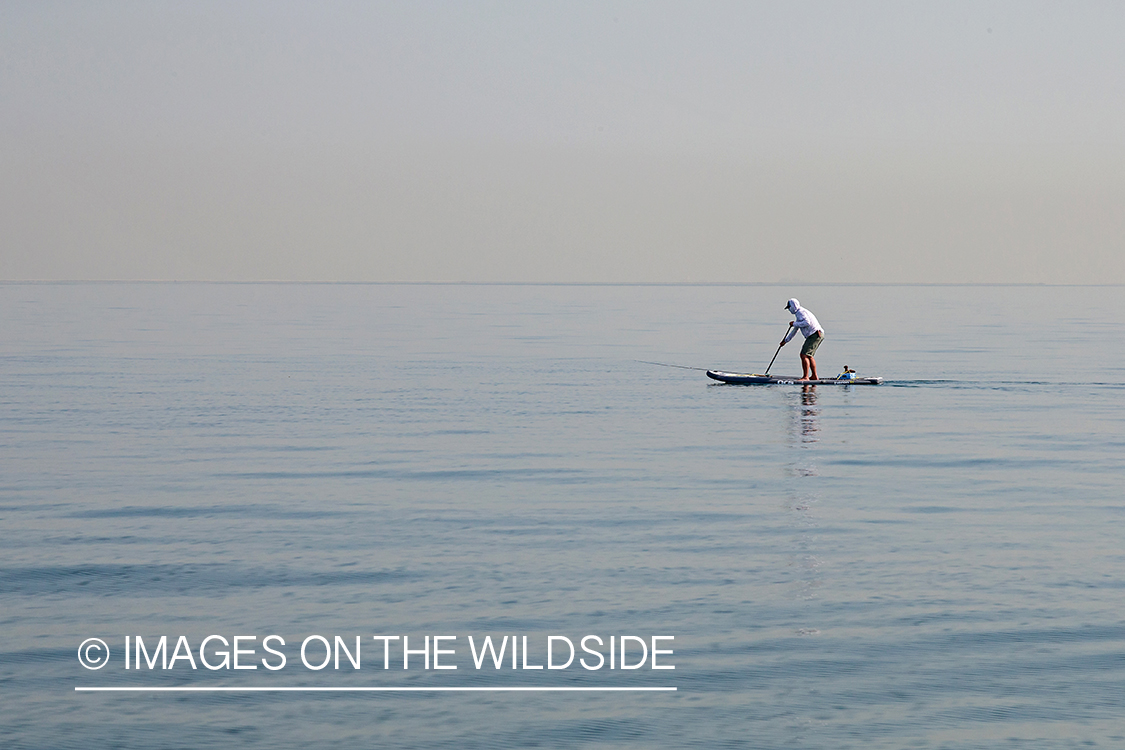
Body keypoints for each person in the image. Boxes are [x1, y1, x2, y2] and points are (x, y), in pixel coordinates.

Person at [779, 298, 824, 381]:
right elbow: (795, 330)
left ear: (793, 306)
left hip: (814, 334)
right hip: (817, 334)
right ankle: (814, 376)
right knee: (809, 356)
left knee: (804, 355)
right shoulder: (798, 314)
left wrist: (794, 323)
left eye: (789, 307)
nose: (789, 309)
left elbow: (807, 323)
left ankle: (806, 377)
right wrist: (785, 341)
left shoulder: (801, 312)